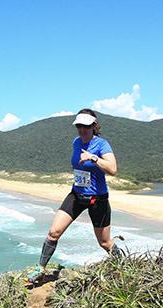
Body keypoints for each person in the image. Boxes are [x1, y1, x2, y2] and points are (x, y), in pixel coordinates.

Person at [27, 108, 122, 283]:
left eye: (85, 126)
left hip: (97, 199)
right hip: (77, 195)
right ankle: (40, 269)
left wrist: (93, 158)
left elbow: (113, 169)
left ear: (94, 126)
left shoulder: (102, 144)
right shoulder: (76, 142)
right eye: (79, 126)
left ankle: (125, 267)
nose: (82, 130)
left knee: (105, 242)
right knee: (54, 232)